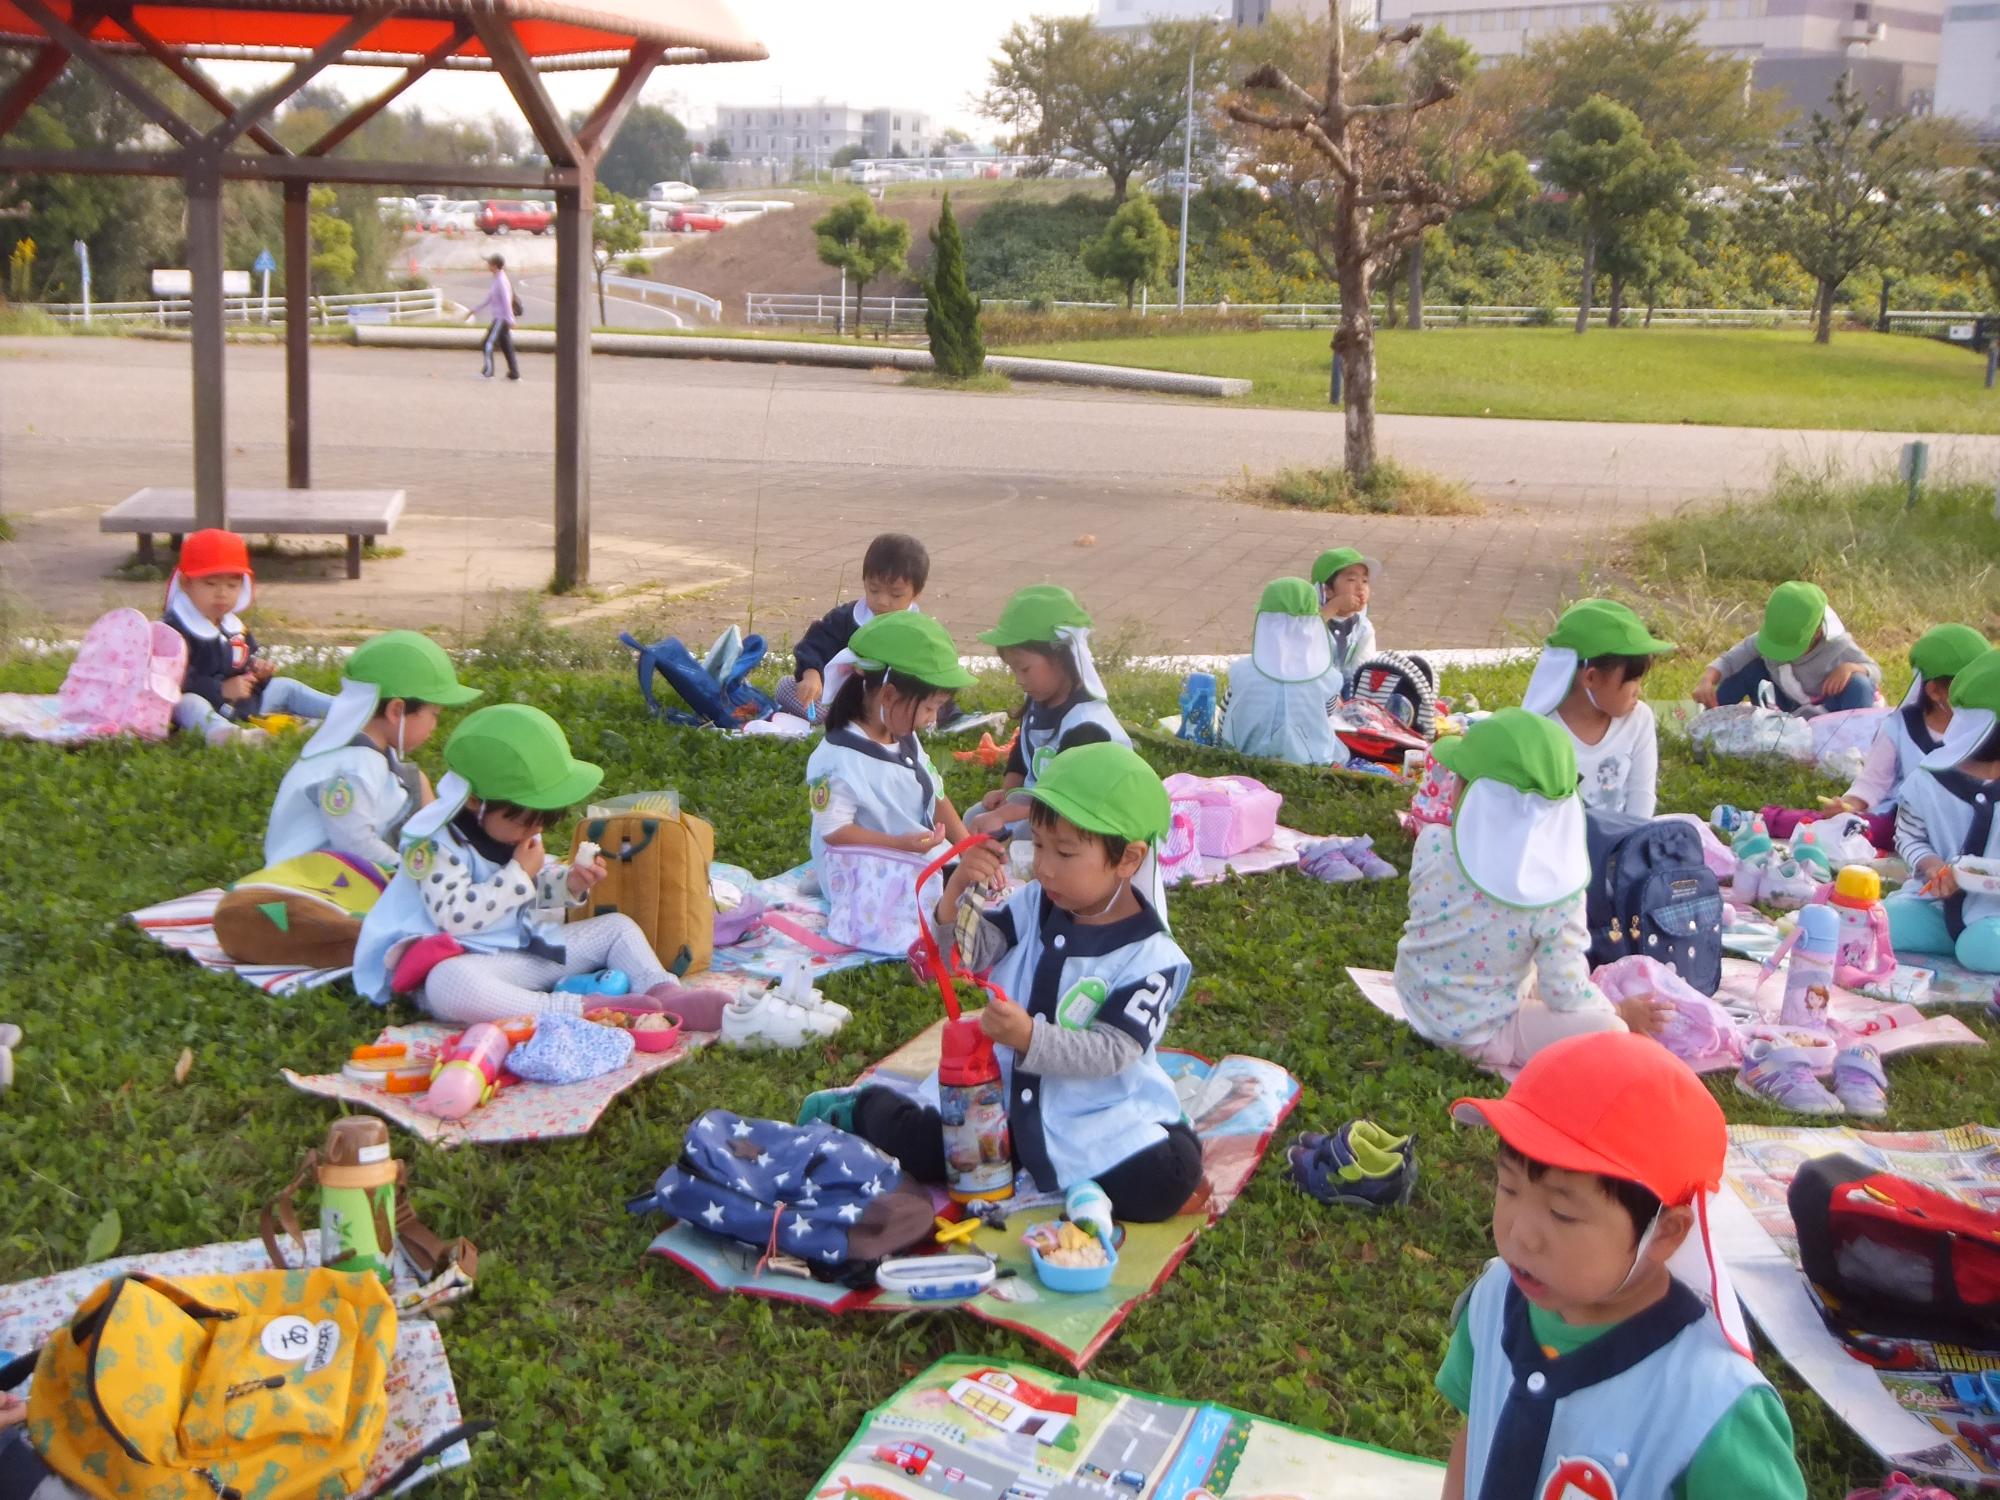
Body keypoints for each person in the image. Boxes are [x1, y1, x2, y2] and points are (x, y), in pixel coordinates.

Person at [801, 742, 1204, 1222]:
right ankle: (861, 1109)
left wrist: (1028, 1038)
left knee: (1164, 1181)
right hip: (997, 1099)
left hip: (1090, 1114)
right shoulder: (1035, 903)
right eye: (1037, 844)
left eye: (1065, 852)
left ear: (1129, 859)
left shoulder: (1151, 959)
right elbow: (966, 955)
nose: (1043, 866)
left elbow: (1112, 1052)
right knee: (929, 1148)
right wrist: (954, 894)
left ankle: (1150, 1131)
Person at [1437, 1030, 1807, 1500]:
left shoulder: (1714, 1404)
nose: (1520, 1234)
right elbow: (1475, 1439)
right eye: (1508, 1188)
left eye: (1562, 1213)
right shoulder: (1492, 1302)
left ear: (1665, 1233)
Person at [352, 703, 683, 1021]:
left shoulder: (512, 833)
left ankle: (664, 991)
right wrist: (520, 872)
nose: (535, 831)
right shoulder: (434, 846)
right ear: (473, 801)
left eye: (542, 822)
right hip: (455, 961)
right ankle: (576, 1008)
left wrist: (567, 885)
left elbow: (522, 898)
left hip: (511, 954)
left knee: (617, 928)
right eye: (525, 822)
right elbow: (457, 918)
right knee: (448, 984)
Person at [1395, 710, 1667, 1070]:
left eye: (1459, 781)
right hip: (1481, 1032)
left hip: (1417, 1002)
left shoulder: (1432, 842)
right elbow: (1564, 991)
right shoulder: (1555, 892)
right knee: (1610, 1030)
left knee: (1521, 957)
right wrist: (1617, 1011)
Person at [263, 631, 482, 868]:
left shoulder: (363, 754)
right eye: (434, 715)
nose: (434, 727)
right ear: (396, 710)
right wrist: (406, 870)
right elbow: (354, 843)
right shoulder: (354, 767)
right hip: (309, 882)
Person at [805, 612, 973, 869]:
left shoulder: (903, 736)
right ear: (889, 696)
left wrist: (967, 847)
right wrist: (898, 844)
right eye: (929, 708)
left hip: (910, 856)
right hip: (867, 873)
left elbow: (936, 796)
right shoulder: (839, 759)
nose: (933, 718)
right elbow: (834, 831)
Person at [968, 585, 1130, 836]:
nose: (1019, 679)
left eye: (1024, 669)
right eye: (1013, 669)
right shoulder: (1038, 699)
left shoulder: (1086, 726)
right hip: (1038, 805)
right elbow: (1023, 756)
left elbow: (1066, 796)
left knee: (1023, 832)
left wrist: (1004, 814)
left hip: (1083, 817)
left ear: (1062, 659)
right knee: (973, 817)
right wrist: (1009, 794)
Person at [1815, 623, 1990, 846]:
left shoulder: (1987, 729)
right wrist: (1848, 804)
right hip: (1905, 824)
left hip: (1968, 824)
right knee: (1842, 828)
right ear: (1934, 691)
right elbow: (1873, 783)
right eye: (1964, 686)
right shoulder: (1900, 728)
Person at [161, 528, 334, 746]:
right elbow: (174, 680)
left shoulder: (231, 624)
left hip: (245, 701)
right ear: (187, 584)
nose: (222, 593)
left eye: (232, 585)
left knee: (287, 687)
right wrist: (220, 690)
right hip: (205, 701)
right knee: (187, 704)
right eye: (210, 584)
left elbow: (242, 660)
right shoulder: (174, 629)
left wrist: (257, 671)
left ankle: (344, 710)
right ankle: (228, 735)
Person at [1886, 646, 2000, 973]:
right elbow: (1909, 834)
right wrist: (1933, 867)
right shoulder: (1931, 778)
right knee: (1887, 919)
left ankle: (1974, 944)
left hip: (1992, 917)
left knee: (1979, 947)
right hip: (1937, 907)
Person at [1521, 598, 1676, 818]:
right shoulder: (1541, 731)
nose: (1638, 691)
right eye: (1633, 680)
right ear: (1591, 678)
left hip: (1618, 842)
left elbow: (1642, 794)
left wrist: (1630, 844)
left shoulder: (1639, 719)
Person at [776, 532, 929, 721]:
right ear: (864, 581)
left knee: (922, 710)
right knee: (785, 686)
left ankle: (855, 724)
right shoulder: (845, 618)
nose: (882, 601)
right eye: (874, 590)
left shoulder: (922, 632)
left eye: (895, 595)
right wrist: (811, 674)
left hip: (890, 706)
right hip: (840, 701)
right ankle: (842, 721)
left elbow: (936, 676)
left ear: (916, 593)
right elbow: (814, 645)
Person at [1692, 581, 1879, 715]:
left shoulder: (1838, 645)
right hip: (1784, 706)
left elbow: (1875, 671)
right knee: (1748, 668)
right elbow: (1730, 660)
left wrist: (1850, 668)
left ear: (1817, 633)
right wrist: (1707, 680)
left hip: (1827, 712)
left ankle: (1857, 739)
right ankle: (1711, 715)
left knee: (1859, 684)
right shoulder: (1765, 640)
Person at [1219, 577, 1347, 765]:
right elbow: (1326, 713)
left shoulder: (1242, 671)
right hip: (1310, 764)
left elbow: (1225, 714)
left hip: (1245, 759)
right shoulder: (1326, 678)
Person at [1311, 546, 1378, 687]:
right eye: (1352, 579)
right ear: (1327, 590)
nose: (1361, 587)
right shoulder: (1312, 619)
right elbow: (1303, 636)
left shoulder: (1363, 627)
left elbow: (1364, 666)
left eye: (1365, 581)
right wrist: (1333, 607)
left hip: (1347, 690)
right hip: (1315, 688)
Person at [469, 253, 519, 381]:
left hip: (501, 318)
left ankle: (488, 373)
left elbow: (507, 301)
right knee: (506, 346)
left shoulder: (501, 281)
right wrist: (476, 309)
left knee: (487, 343)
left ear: (495, 266)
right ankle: (514, 373)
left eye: (489, 263)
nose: (487, 265)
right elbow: (490, 298)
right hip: (500, 317)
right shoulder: (497, 278)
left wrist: (511, 319)